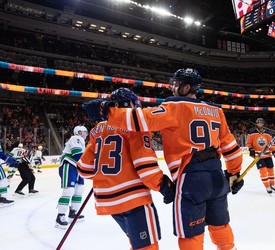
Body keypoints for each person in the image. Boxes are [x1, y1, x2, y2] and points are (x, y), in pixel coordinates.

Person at [82, 68, 244, 250]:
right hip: (216, 176)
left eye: (176, 84)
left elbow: (141, 118)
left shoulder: (174, 107)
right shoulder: (216, 111)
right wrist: (233, 174)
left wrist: (107, 111)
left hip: (191, 177)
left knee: (191, 233)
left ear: (186, 87)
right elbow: (232, 149)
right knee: (220, 224)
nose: (173, 88)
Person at [77, 117, 171, 249]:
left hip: (108, 201)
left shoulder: (97, 128)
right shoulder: (135, 124)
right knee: (146, 246)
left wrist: (106, 173)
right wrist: (162, 185)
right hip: (134, 198)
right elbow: (145, 165)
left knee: (136, 241)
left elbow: (84, 168)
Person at [55, 125, 88, 229]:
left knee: (79, 190)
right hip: (69, 165)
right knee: (69, 190)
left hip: (77, 167)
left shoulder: (81, 141)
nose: (86, 134)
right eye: (84, 132)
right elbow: (77, 154)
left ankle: (73, 213)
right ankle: (60, 217)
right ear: (79, 132)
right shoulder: (76, 138)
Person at [246, 118, 275, 195]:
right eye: (258, 123)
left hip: (268, 155)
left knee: (271, 171)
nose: (260, 124)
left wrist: (274, 151)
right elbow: (248, 143)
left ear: (263, 123)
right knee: (263, 171)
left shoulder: (268, 134)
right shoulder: (252, 133)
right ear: (256, 123)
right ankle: (267, 186)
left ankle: (272, 185)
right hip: (258, 156)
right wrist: (251, 149)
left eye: (261, 123)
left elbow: (271, 144)